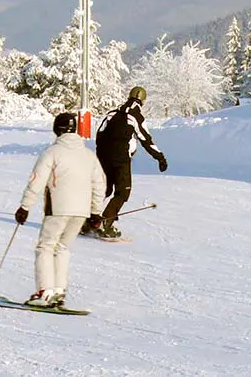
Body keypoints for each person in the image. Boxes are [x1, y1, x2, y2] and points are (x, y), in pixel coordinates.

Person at [14, 112, 106, 308]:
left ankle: (45, 292)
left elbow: (37, 181)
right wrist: (96, 212)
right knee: (62, 248)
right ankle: (58, 291)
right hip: (81, 211)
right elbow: (99, 184)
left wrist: (25, 207)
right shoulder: (89, 155)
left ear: (57, 129)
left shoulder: (52, 153)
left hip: (58, 208)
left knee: (46, 247)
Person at [84, 85, 167, 240]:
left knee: (104, 189)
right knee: (122, 192)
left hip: (103, 157)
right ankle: (105, 223)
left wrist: (101, 153)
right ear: (143, 101)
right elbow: (146, 140)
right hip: (121, 159)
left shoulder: (112, 114)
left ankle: (87, 220)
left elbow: (99, 134)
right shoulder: (136, 117)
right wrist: (160, 158)